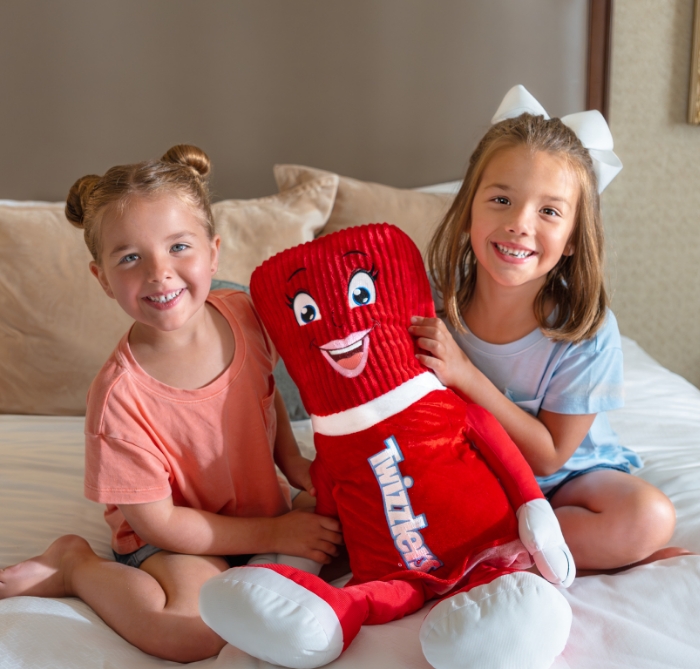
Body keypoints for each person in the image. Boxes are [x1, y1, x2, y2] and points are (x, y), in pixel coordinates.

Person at [0, 145, 342, 662]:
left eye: (179, 246)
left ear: (213, 251)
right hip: (175, 535)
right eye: (131, 258)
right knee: (195, 631)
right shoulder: (119, 398)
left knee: (357, 537)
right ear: (102, 278)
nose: (160, 273)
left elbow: (264, 400)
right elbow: (160, 523)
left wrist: (293, 464)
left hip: (258, 506)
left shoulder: (246, 314)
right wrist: (275, 533)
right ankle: (75, 567)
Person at [409, 86, 684, 574]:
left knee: (648, 516)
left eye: (549, 211)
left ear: (575, 237)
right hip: (480, 475)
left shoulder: (586, 330)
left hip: (570, 480)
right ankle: (534, 547)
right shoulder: (434, 304)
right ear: (469, 206)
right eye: (500, 199)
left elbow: (551, 458)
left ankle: (504, 552)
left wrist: (466, 374)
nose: (519, 224)